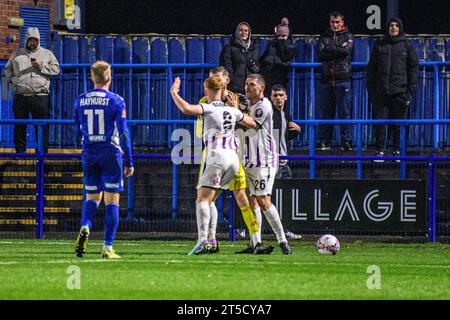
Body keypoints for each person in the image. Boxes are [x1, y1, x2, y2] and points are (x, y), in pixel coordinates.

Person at [170, 76, 265, 255]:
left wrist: (174, 93)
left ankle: (202, 240)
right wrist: (240, 109)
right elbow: (253, 124)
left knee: (202, 200)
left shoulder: (208, 107)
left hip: (216, 155)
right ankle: (213, 240)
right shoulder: (232, 110)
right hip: (233, 160)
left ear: (206, 91)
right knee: (211, 200)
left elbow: (186, 108)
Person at [195, 67, 272, 254]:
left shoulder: (240, 100)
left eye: (217, 79)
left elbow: (251, 126)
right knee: (209, 199)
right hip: (213, 153)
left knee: (242, 198)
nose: (214, 83)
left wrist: (237, 109)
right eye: (211, 80)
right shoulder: (206, 101)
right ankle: (211, 239)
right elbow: (201, 130)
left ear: (226, 80)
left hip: (233, 155)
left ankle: (256, 241)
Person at [73, 61, 134, 259]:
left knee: (92, 197)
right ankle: (107, 248)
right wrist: (129, 160)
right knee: (112, 201)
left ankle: (85, 225)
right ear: (109, 77)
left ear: (92, 77)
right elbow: (123, 132)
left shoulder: (80, 100)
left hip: (89, 153)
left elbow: (76, 128)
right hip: (110, 153)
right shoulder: (116, 101)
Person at [241, 74, 293, 255]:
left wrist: (233, 112)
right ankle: (255, 243)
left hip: (264, 160)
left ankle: (282, 241)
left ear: (261, 88)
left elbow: (251, 125)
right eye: (246, 84)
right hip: (248, 159)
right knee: (251, 200)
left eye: (252, 85)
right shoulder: (247, 105)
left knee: (263, 200)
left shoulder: (264, 106)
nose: (247, 87)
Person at [367, 17, 419, 160]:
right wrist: (371, 90)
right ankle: (380, 151)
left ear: (400, 28)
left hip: (400, 92)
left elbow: (414, 68)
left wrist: (410, 91)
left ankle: (398, 150)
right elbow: (371, 68)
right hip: (381, 92)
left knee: (399, 124)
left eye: (396, 25)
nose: (394, 28)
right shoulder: (380, 44)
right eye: (391, 25)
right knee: (380, 123)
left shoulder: (407, 46)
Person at [4, 27, 60, 154]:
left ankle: (41, 152)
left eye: (35, 40)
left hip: (39, 96)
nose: (32, 43)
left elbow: (56, 70)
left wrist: (41, 65)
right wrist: (13, 81)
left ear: (38, 41)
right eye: (30, 40)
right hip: (21, 95)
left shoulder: (47, 54)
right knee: (19, 125)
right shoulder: (17, 53)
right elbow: (7, 70)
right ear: (26, 40)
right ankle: (20, 152)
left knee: (41, 126)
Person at [316, 11, 353, 152]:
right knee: (326, 113)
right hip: (326, 80)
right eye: (332, 22)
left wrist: (330, 50)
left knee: (344, 112)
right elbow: (320, 54)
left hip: (342, 79)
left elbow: (346, 51)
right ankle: (325, 142)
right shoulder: (324, 36)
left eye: (337, 22)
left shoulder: (348, 36)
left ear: (342, 22)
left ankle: (346, 142)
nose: (335, 24)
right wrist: (338, 49)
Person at [259, 18, 297, 97]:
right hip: (269, 77)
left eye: (283, 36)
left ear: (288, 35)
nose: (281, 38)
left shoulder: (290, 46)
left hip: (281, 78)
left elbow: (285, 58)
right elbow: (265, 59)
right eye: (279, 36)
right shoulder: (272, 44)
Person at [220, 22, 260, 94]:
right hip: (235, 87)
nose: (243, 33)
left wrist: (256, 67)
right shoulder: (229, 47)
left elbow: (258, 63)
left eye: (246, 30)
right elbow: (226, 66)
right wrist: (232, 80)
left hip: (251, 87)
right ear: (236, 32)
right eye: (241, 30)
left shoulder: (255, 47)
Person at [271, 85, 301, 179]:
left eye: (280, 95)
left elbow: (284, 136)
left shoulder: (286, 114)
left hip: (285, 161)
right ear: (271, 98)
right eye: (275, 95)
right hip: (273, 161)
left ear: (286, 97)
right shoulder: (269, 114)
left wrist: (297, 130)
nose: (278, 98)